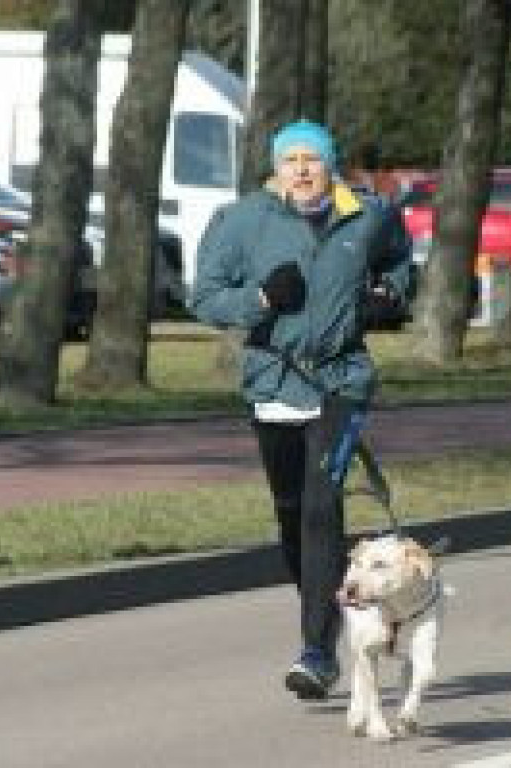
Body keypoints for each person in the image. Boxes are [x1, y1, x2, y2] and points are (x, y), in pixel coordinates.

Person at [189, 119, 413, 700]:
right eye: (290, 160)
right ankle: (324, 602)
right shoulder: (241, 221)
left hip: (341, 381)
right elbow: (205, 298)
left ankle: (317, 652)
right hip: (275, 380)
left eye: (311, 158)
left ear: (329, 163)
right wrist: (262, 299)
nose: (302, 170)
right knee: (291, 514)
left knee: (321, 509)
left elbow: (397, 257)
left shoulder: (367, 213)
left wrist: (387, 296)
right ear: (275, 167)